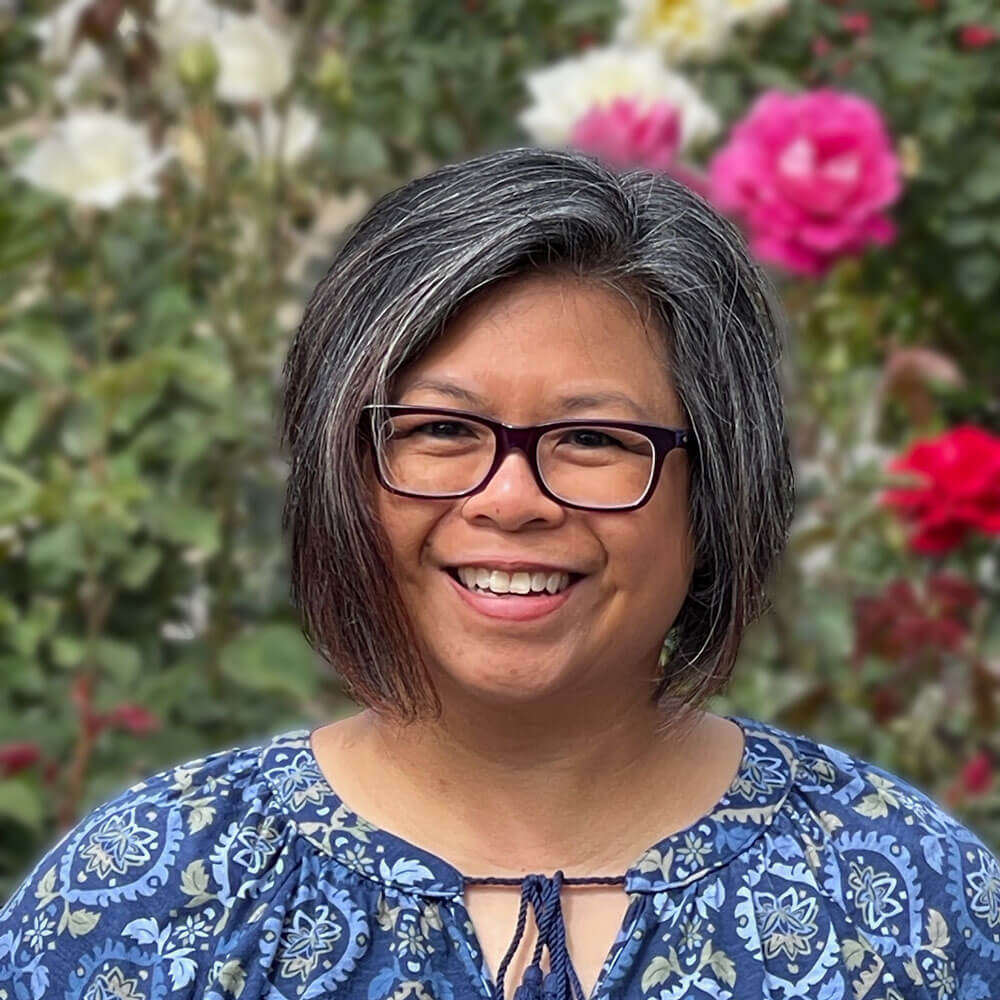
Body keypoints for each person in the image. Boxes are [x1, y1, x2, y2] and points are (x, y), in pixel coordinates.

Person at [1, 147, 997, 1000]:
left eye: (593, 438)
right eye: (438, 429)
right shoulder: (149, 897)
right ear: (338, 469)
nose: (511, 498)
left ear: (717, 489)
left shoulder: (908, 904)